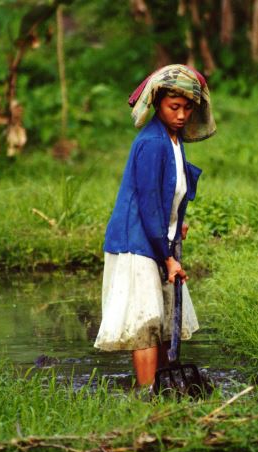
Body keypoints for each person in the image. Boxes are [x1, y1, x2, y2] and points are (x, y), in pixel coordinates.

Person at [94, 64, 216, 387]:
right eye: (174, 107)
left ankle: (163, 387)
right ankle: (147, 397)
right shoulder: (151, 144)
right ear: (158, 103)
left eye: (187, 108)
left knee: (165, 320)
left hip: (158, 240)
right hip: (136, 243)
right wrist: (169, 258)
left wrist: (178, 223)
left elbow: (169, 192)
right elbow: (148, 207)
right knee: (147, 320)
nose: (181, 114)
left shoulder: (174, 140)